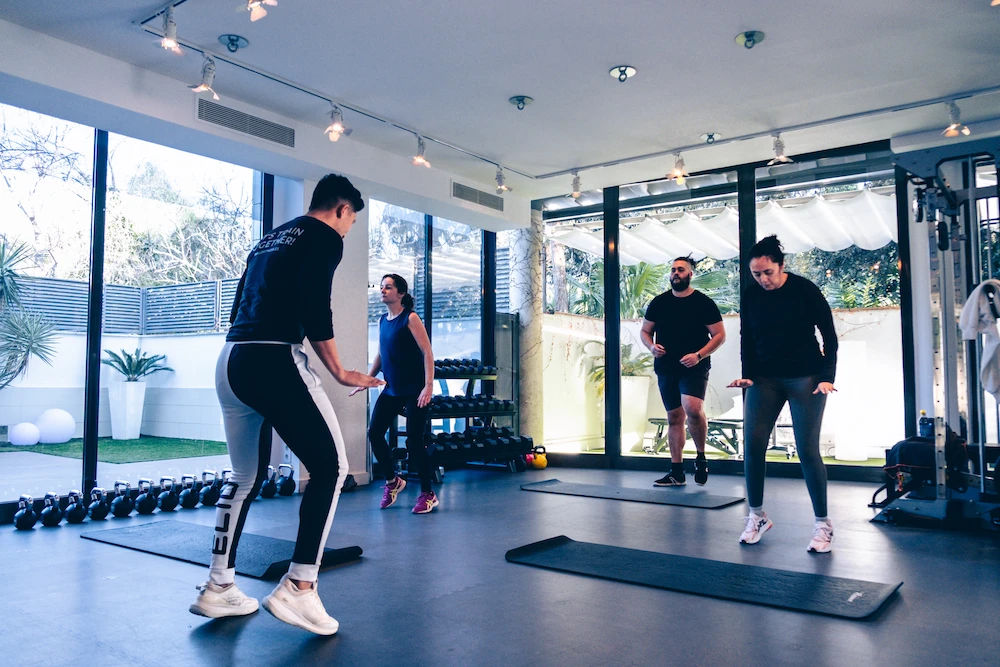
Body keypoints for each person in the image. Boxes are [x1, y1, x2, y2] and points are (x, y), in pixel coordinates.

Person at [188, 173, 384, 635]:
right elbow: (316, 304)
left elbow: (241, 302)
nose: (347, 231)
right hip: (274, 358)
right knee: (333, 468)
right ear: (341, 209)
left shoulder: (269, 240)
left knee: (243, 476)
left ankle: (218, 586)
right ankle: (299, 588)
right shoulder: (323, 236)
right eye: (350, 221)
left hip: (231, 359)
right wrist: (339, 371)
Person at [727, 235, 838, 553]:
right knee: (754, 445)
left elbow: (828, 334)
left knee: (806, 449)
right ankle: (756, 516)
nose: (763, 279)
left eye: (768, 272)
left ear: (781, 266)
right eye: (756, 274)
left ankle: (822, 524)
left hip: (806, 378)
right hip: (765, 380)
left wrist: (827, 377)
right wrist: (748, 375)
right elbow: (746, 336)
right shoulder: (751, 296)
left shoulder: (805, 290)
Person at [354, 273, 438, 514]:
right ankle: (393, 481)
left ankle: (427, 493)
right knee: (375, 433)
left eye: (388, 287)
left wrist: (429, 385)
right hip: (392, 388)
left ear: (400, 293)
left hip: (415, 390)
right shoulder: (383, 320)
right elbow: (382, 354)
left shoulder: (410, 318)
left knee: (413, 441)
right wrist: (369, 378)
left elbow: (427, 352)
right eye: (381, 287)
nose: (382, 290)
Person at [641, 257, 726, 487]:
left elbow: (719, 335)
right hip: (666, 367)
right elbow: (645, 331)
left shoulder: (703, 303)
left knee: (693, 408)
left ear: (690, 275)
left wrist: (699, 355)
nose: (675, 273)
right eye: (673, 270)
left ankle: (700, 457)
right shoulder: (659, 303)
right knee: (674, 417)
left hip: (694, 366)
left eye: (681, 270)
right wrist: (651, 346)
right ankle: (676, 472)